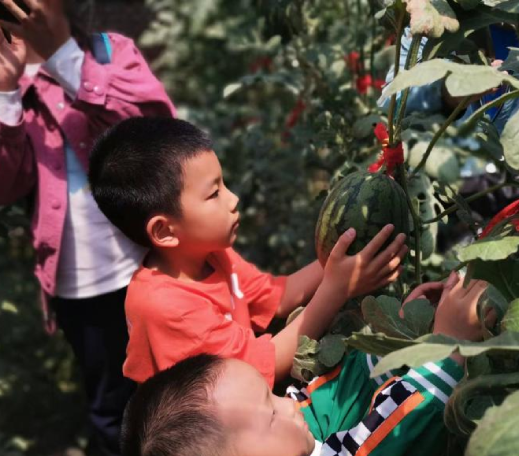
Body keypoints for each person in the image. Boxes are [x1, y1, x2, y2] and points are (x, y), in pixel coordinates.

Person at [0, 1, 176, 456]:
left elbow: (156, 134)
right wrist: (1, 90)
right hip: (80, 283)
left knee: (178, 380)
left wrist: (64, 58)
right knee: (110, 400)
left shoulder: (110, 55)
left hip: (156, 263)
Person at [120, 273, 488, 456]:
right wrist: (446, 351)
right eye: (271, 414)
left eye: (270, 396)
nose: (288, 404)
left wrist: (403, 342)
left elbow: (325, 404)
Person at [88, 116, 408, 389]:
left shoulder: (211, 255)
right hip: (211, 451)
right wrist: (337, 289)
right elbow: (261, 367)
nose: (234, 199)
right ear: (164, 231)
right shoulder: (165, 307)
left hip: (239, 414)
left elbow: (281, 296)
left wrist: (343, 256)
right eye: (214, 193)